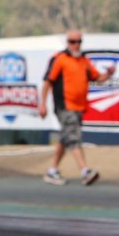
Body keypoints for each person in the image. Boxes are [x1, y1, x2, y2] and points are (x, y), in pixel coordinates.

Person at [40, 30, 114, 185]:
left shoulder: (83, 61)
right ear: (67, 42)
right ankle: (85, 171)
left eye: (78, 42)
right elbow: (48, 82)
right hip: (64, 105)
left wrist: (108, 74)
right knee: (74, 138)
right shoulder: (60, 59)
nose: (76, 45)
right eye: (73, 42)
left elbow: (97, 78)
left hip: (79, 106)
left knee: (65, 138)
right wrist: (42, 104)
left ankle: (52, 171)